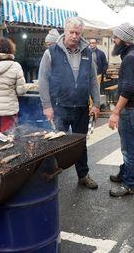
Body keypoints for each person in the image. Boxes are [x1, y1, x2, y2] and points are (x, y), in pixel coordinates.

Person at [38, 17, 100, 189]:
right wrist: (47, 106)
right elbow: (42, 81)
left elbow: (93, 80)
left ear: (81, 34)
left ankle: (83, 175)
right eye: (71, 32)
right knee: (57, 142)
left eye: (77, 33)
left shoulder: (88, 52)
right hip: (59, 106)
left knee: (80, 143)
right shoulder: (51, 52)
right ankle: (53, 175)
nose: (74, 36)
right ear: (65, 30)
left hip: (81, 106)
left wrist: (96, 104)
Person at [107, 23, 134, 197]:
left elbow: (128, 88)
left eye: (115, 37)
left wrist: (115, 112)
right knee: (128, 144)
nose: (114, 40)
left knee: (129, 148)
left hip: (131, 110)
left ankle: (129, 184)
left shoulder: (130, 58)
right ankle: (125, 173)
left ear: (123, 39)